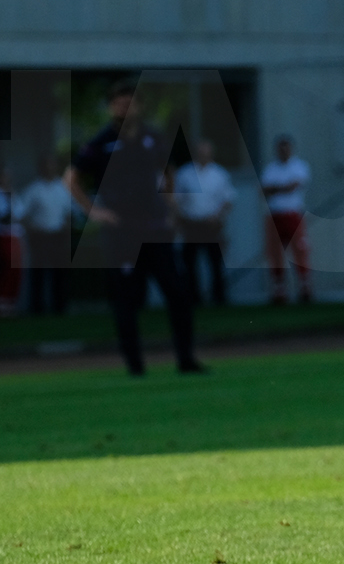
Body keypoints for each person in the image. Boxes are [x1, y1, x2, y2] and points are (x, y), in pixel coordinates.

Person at [66, 79, 201, 374]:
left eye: (130, 102)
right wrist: (95, 212)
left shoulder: (153, 137)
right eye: (119, 102)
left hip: (154, 228)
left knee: (178, 292)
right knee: (127, 299)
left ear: (138, 106)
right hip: (121, 232)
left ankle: (186, 359)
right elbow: (72, 179)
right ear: (112, 107)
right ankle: (135, 365)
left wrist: (171, 207)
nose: (125, 107)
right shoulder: (100, 142)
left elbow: (169, 172)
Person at [174, 139, 236, 306]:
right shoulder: (184, 173)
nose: (203, 155)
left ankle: (219, 298)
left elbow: (228, 200)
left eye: (206, 152)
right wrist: (180, 220)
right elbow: (176, 200)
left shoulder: (219, 173)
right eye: (200, 152)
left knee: (215, 262)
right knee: (190, 264)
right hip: (191, 224)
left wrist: (218, 217)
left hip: (211, 225)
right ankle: (193, 299)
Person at [260, 135, 312, 304]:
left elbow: (293, 186)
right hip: (275, 215)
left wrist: (276, 188)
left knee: (299, 250)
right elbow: (265, 190)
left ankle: (305, 287)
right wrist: (282, 188)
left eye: (286, 147)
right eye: (280, 148)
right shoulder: (270, 168)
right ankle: (279, 290)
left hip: (293, 214)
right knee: (275, 253)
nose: (283, 151)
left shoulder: (299, 166)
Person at [20, 153, 72, 315]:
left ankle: (60, 307)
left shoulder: (63, 188)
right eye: (46, 165)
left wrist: (67, 226)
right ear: (41, 168)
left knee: (60, 273)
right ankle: (38, 308)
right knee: (39, 274)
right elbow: (22, 214)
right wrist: (31, 229)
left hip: (58, 236)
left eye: (52, 164)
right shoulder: (33, 189)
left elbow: (70, 212)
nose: (50, 168)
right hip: (40, 236)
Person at [0, 164, 25, 318]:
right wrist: (10, 204)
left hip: (16, 235)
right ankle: (0, 305)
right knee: (6, 269)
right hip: (4, 236)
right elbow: (4, 217)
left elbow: (22, 215)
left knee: (16, 271)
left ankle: (10, 304)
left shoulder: (12, 194)